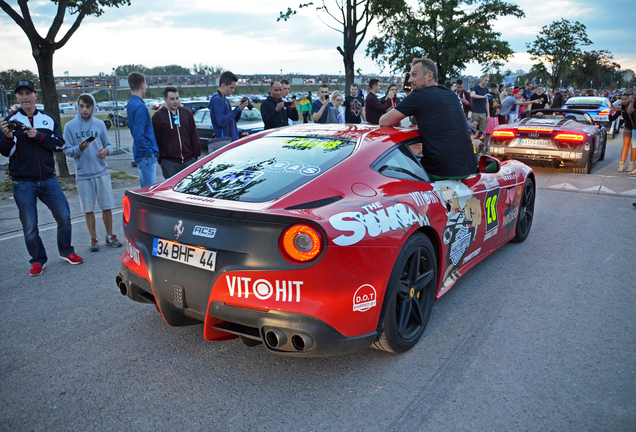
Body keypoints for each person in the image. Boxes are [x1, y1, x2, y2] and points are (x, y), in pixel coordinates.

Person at [0, 80, 83, 276]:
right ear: (17, 98)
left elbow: (59, 144)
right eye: (21, 94)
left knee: (64, 216)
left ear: (35, 95)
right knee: (30, 225)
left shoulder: (47, 119)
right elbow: (5, 152)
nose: (25, 97)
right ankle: (37, 260)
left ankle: (66, 251)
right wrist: (8, 137)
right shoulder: (10, 120)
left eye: (28, 93)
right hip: (23, 182)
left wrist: (38, 136)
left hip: (48, 179)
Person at [379, 57, 477, 181]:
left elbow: (384, 121)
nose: (410, 80)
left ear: (429, 76)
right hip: (468, 168)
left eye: (414, 75)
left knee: (391, 172)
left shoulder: (419, 95)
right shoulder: (451, 94)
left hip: (440, 170)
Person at [63, 93, 122, 252]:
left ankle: (110, 235)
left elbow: (109, 145)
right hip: (83, 175)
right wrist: (79, 149)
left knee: (107, 206)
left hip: (101, 171)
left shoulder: (99, 124)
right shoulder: (70, 126)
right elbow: (67, 150)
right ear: (77, 107)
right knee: (88, 208)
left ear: (93, 107)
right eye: (82, 106)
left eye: (88, 106)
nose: (85, 110)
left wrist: (106, 151)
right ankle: (93, 238)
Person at [152, 86, 201, 179]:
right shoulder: (158, 117)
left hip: (189, 160)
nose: (175, 101)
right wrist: (161, 160)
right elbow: (156, 139)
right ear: (165, 99)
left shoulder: (186, 113)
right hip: (169, 163)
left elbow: (194, 134)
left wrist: (195, 155)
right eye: (172, 99)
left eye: (177, 98)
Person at [127, 72, 159, 188]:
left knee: (146, 189)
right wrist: (149, 153)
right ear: (142, 85)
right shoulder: (140, 107)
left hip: (142, 155)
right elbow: (138, 135)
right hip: (146, 156)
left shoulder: (131, 103)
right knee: (149, 192)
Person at [208, 71, 249, 143]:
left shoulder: (225, 100)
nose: (233, 90)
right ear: (223, 85)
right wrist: (237, 109)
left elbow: (232, 121)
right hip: (224, 142)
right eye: (231, 88)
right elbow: (222, 122)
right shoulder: (217, 100)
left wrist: (239, 109)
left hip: (231, 141)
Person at [610, 93, 635, 172]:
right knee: (625, 145)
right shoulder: (621, 109)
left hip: (635, 128)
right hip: (627, 127)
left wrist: (631, 103)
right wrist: (610, 112)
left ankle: (631, 164)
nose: (624, 101)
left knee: (633, 147)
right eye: (622, 99)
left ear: (630, 99)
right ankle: (622, 164)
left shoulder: (634, 106)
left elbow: (631, 112)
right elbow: (612, 118)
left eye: (626, 99)